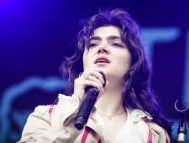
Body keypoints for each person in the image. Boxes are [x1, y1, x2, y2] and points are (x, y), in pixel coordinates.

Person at [19, 8, 172, 143]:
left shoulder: (152, 133)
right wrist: (74, 112)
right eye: (93, 44)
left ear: (133, 63)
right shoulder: (47, 116)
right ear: (83, 61)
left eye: (116, 44)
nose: (102, 48)